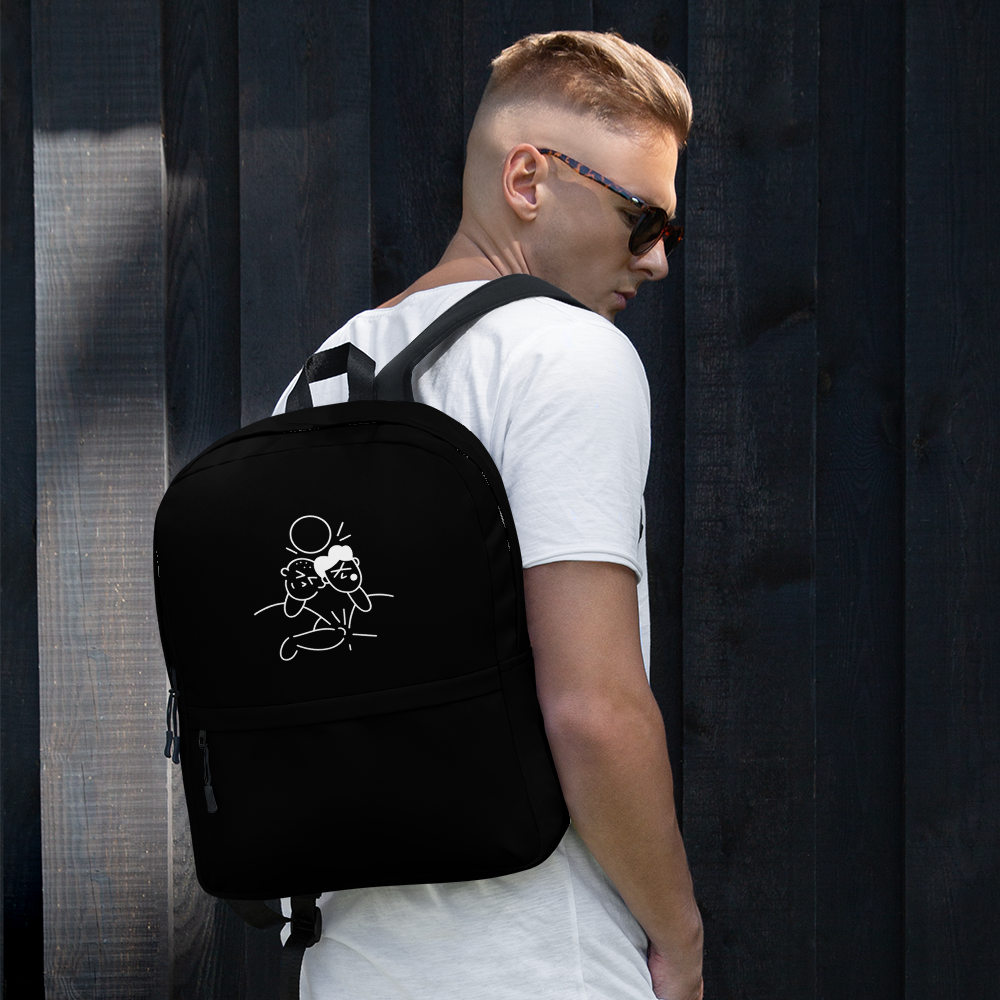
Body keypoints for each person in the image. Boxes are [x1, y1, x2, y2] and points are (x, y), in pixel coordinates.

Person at [273, 29, 703, 1000]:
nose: (657, 261)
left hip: (348, 966)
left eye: (667, 234)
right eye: (643, 219)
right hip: (539, 962)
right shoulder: (565, 352)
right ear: (527, 179)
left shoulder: (316, 380)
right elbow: (592, 707)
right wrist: (680, 937)